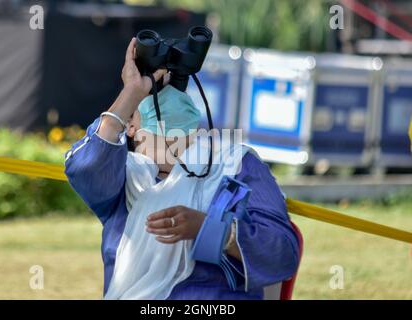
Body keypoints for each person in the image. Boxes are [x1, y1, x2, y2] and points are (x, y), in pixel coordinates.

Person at [64, 38, 300, 299]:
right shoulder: (120, 174)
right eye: (154, 100)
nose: (168, 99)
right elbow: (83, 166)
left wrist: (210, 231)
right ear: (130, 126)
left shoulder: (236, 163)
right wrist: (131, 92)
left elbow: (282, 254)